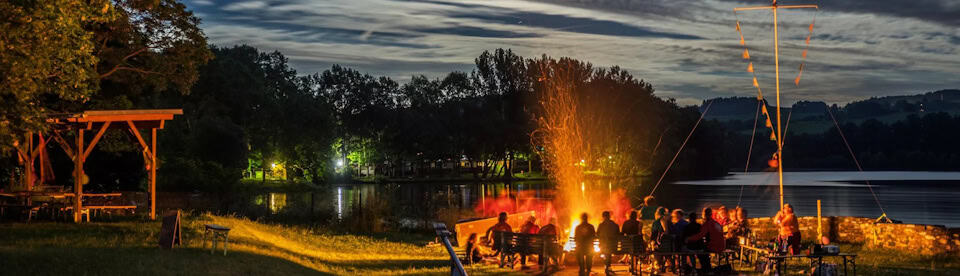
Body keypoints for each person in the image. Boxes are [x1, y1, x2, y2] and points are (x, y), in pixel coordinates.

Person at [686, 207, 725, 273]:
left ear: (704, 215)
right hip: (722, 246)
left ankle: (706, 268)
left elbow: (699, 236)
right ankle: (707, 268)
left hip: (714, 246)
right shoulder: (716, 223)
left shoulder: (707, 224)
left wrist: (689, 238)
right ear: (711, 214)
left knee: (699, 251)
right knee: (703, 249)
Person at [651, 207, 674, 273]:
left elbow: (653, 234)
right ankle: (665, 265)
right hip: (669, 246)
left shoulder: (656, 222)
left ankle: (658, 265)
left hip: (659, 246)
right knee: (664, 248)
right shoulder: (669, 222)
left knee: (655, 248)